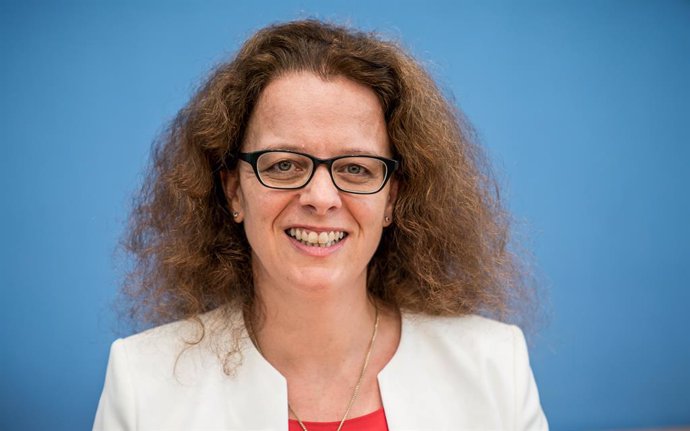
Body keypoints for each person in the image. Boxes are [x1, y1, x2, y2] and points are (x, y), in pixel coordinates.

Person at [94, 19, 548, 431]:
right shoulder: (142, 382)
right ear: (234, 191)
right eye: (285, 164)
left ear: (392, 197)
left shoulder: (494, 368)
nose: (321, 199)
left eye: (356, 168)